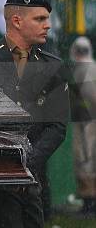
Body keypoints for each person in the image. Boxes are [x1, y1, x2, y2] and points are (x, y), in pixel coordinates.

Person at [0, 0, 68, 228]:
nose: (48, 25)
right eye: (40, 19)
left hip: (28, 181)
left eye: (47, 19)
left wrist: (24, 165)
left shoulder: (53, 66)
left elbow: (57, 127)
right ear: (17, 21)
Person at [69, 36, 96, 217]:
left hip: (88, 122)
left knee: (86, 160)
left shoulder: (86, 69)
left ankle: (89, 204)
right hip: (86, 120)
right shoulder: (89, 67)